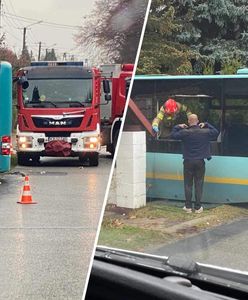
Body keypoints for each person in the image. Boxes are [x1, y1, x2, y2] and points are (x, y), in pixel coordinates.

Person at [170, 114, 218, 213]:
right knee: (199, 184)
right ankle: (198, 207)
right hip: (200, 161)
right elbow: (216, 132)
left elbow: (173, 135)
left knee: (188, 184)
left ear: (188, 122)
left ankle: (188, 207)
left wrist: (178, 126)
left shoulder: (184, 132)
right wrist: (206, 124)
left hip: (188, 161)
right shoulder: (205, 132)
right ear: (198, 121)